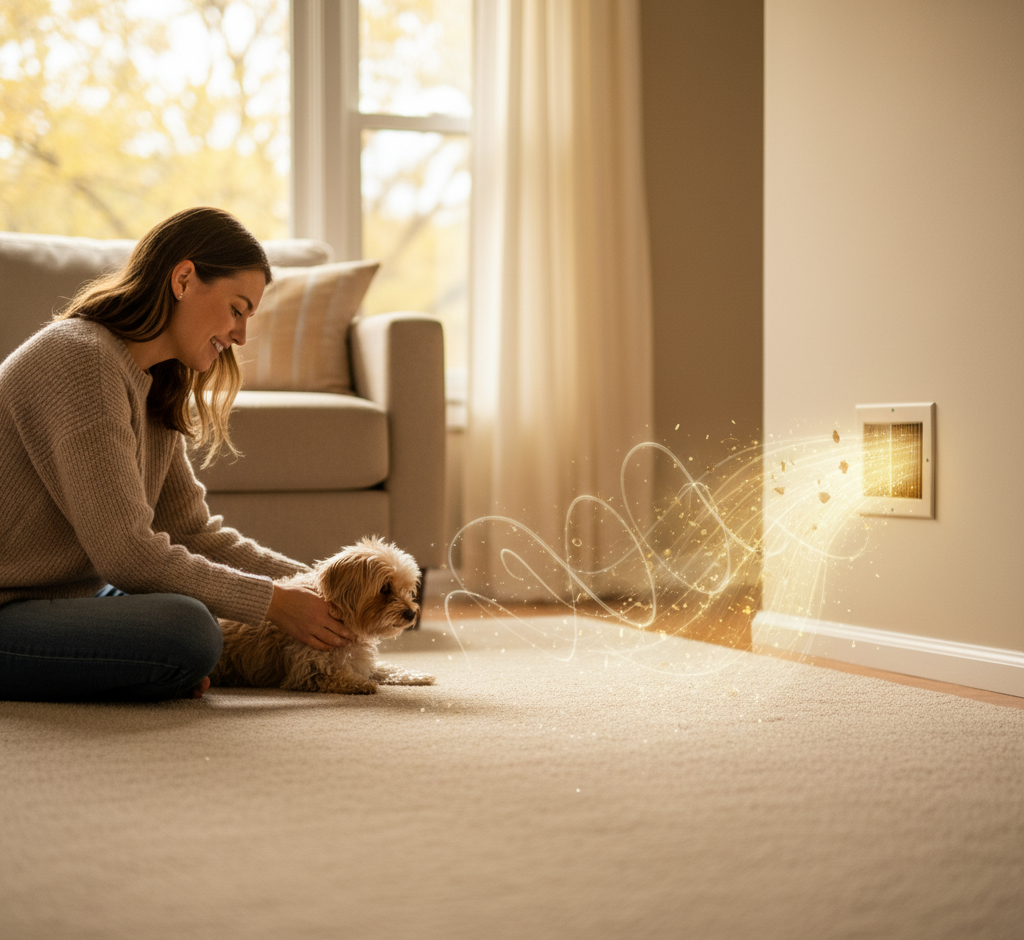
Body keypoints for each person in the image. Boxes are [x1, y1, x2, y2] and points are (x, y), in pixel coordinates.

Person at [0, 207, 353, 702]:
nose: (240, 337)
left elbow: (192, 531)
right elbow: (128, 555)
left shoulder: (156, 382)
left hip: (66, 597)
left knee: (204, 609)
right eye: (237, 309)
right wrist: (275, 603)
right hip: (9, 606)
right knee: (188, 630)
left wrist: (321, 591)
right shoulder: (81, 358)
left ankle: (136, 672)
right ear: (184, 278)